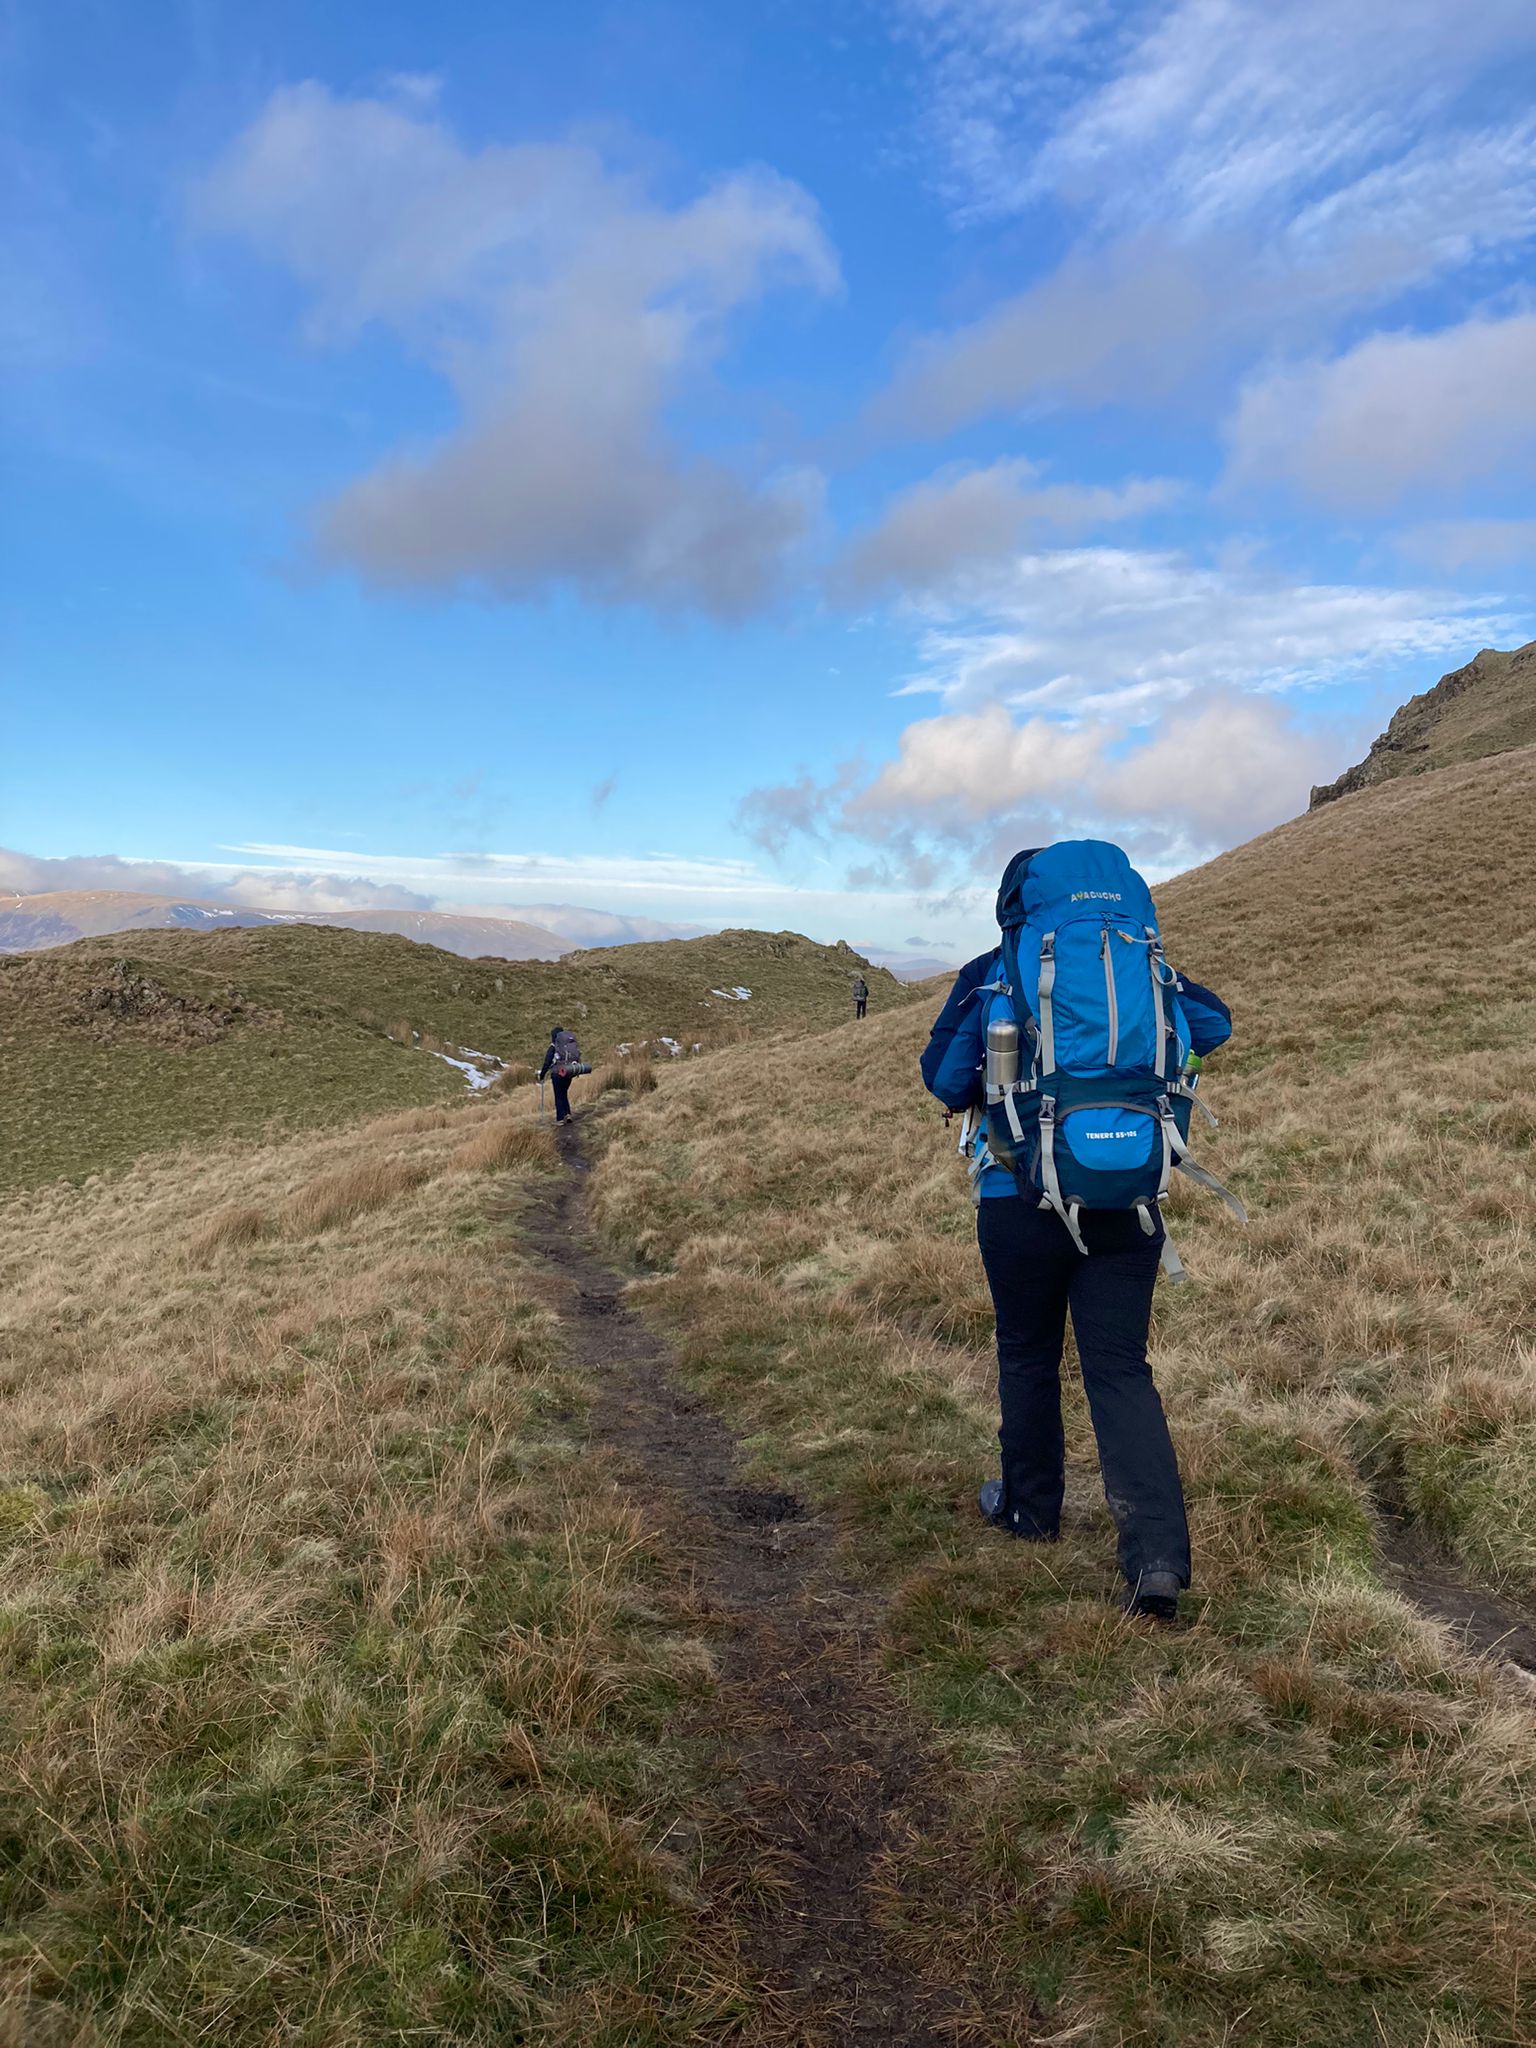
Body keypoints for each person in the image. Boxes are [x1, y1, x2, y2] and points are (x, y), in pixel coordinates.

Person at [920, 844, 1233, 1622]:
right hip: (1128, 1198)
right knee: (1121, 1370)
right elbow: (1215, 1025)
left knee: (1027, 1355)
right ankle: (1157, 1558)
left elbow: (944, 1079)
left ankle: (1030, 1513)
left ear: (1015, 905)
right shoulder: (1147, 965)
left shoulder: (993, 972)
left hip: (1017, 1194)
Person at [538, 1025, 580, 1125]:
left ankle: (560, 1119)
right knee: (563, 1093)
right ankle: (568, 1114)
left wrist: (542, 1074)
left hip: (557, 1074)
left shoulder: (553, 1047)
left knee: (558, 1095)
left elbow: (547, 1062)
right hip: (568, 1072)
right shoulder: (567, 1047)